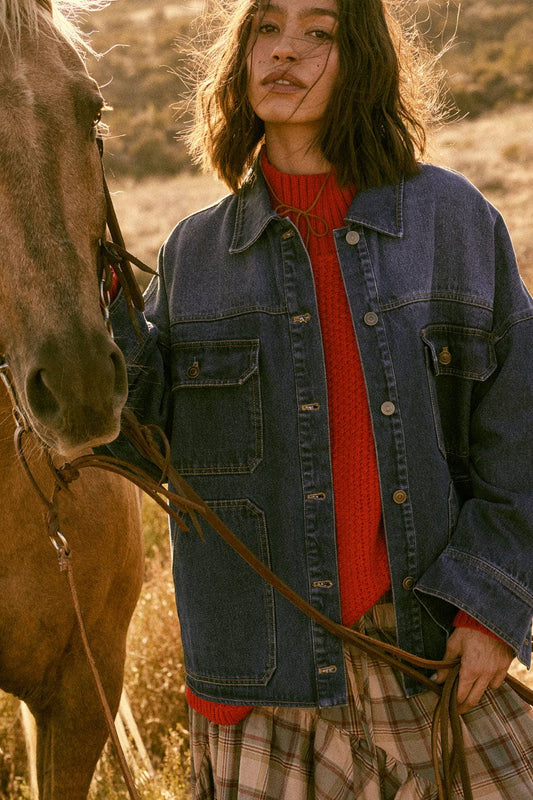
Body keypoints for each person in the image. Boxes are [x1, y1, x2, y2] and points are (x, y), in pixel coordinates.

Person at [108, 0, 533, 796]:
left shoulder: (452, 222)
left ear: (361, 59)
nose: (285, 51)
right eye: (265, 28)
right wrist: (88, 305)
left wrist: (489, 611)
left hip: (431, 657)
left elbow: (521, 432)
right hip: (264, 684)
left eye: (319, 32)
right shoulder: (194, 253)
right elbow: (138, 449)